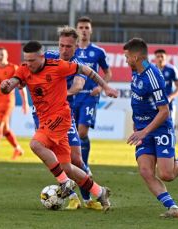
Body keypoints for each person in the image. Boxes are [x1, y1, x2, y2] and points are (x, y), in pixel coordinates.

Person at [1, 40, 118, 212]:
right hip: (45, 119)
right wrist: (6, 86)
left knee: (36, 144)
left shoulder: (58, 66)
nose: (28, 64)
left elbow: (86, 70)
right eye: (26, 60)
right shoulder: (24, 68)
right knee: (67, 167)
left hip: (60, 117)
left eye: (32, 60)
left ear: (41, 57)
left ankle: (65, 183)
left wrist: (105, 86)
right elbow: (13, 82)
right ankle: (100, 192)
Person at [124, 38, 178, 218]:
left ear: (136, 57)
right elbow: (138, 100)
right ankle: (173, 208)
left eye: (127, 57)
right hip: (143, 128)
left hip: (159, 128)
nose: (125, 60)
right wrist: (136, 123)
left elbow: (164, 111)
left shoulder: (153, 76)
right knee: (145, 170)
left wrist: (144, 131)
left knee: (167, 174)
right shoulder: (137, 68)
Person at [32, 26, 103, 210]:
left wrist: (62, 95)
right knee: (53, 156)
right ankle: (72, 196)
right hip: (42, 114)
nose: (64, 50)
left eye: (68, 47)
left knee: (76, 160)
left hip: (64, 114)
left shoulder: (77, 64)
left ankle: (89, 198)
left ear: (76, 46)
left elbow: (79, 85)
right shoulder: (48, 57)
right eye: (61, 46)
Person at [74, 16, 112, 175]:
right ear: (77, 30)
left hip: (89, 96)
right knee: (72, 133)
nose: (83, 30)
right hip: (71, 97)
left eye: (86, 28)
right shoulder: (71, 50)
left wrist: (100, 86)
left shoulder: (98, 52)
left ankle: (84, 165)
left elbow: (108, 72)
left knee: (82, 132)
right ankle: (74, 165)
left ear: (91, 30)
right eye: (81, 27)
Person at [154, 49, 178, 122]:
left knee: (169, 127)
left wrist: (170, 97)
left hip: (168, 104)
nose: (160, 58)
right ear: (155, 58)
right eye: (158, 56)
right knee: (154, 128)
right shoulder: (151, 70)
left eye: (162, 56)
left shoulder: (171, 69)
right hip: (155, 104)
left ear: (166, 58)